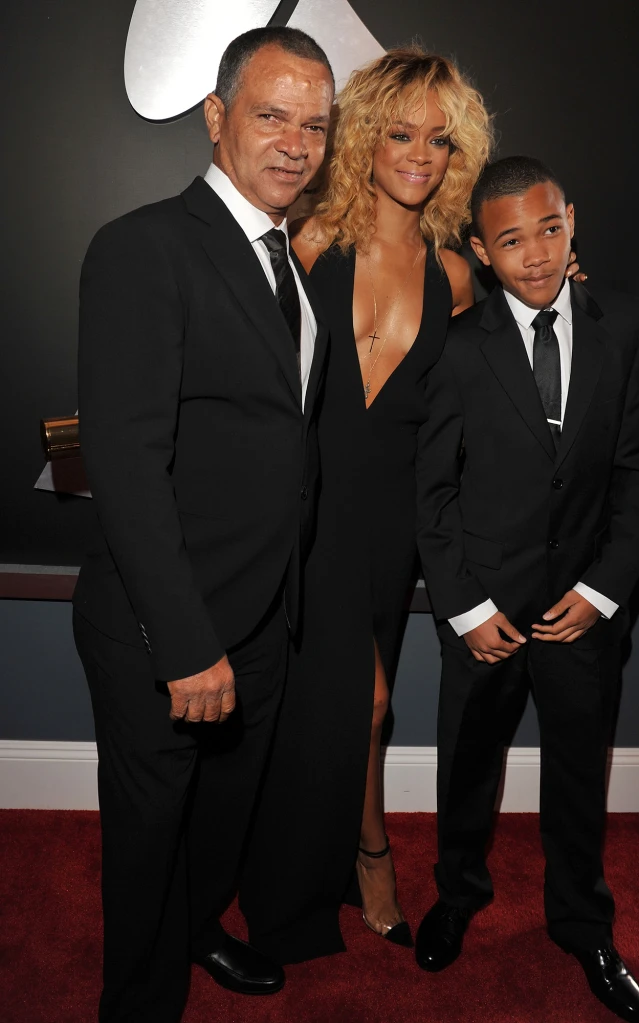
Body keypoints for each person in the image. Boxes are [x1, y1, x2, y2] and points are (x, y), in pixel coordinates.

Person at [72, 26, 334, 1023]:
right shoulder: (142, 248)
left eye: (314, 124)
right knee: (147, 840)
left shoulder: (290, 263)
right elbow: (127, 465)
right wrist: (184, 647)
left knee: (220, 820)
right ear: (217, 117)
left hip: (266, 618)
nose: (294, 143)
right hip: (165, 630)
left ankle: (195, 933)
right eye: (271, 116)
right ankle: (139, 999)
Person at [238, 48, 491, 961]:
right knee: (331, 704)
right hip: (304, 512)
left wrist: (564, 281)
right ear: (365, 139)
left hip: (390, 524)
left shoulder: (459, 278)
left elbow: (483, 396)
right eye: (399, 132)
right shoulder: (309, 241)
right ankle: (345, 860)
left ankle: (363, 852)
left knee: (367, 705)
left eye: (439, 139)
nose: (420, 154)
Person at [415, 156, 639, 1022]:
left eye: (549, 229)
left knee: (575, 775)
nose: (535, 254)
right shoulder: (454, 348)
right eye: (511, 239)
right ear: (482, 252)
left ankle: (583, 922)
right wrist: (467, 608)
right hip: (484, 610)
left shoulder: (626, 324)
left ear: (573, 224)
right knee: (469, 764)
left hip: (582, 613)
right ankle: (457, 893)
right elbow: (432, 491)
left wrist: (602, 592)